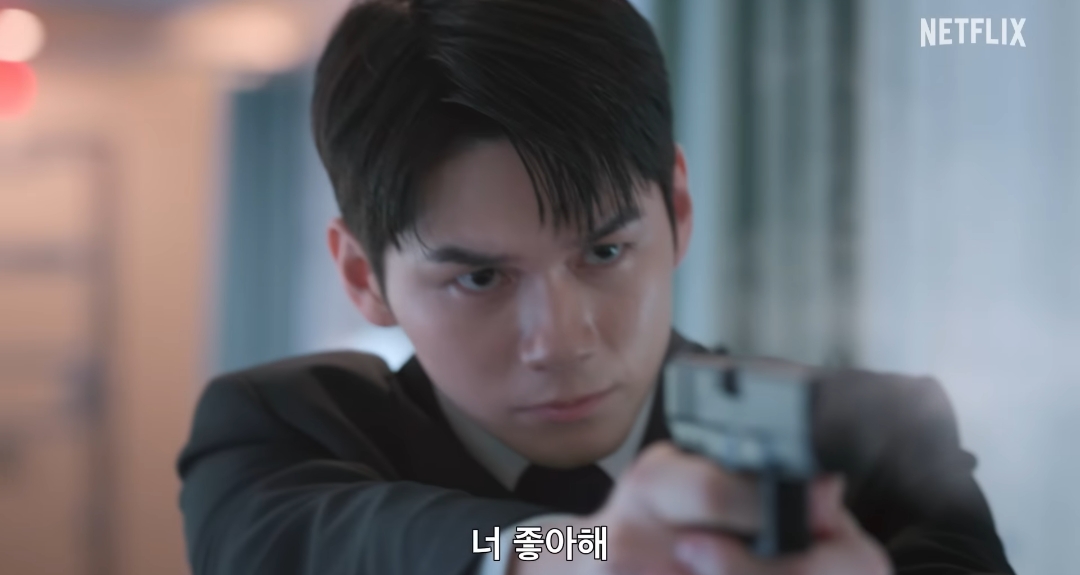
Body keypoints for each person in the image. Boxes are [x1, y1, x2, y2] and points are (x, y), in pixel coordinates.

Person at [176, 0, 1014, 574]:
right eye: (479, 277)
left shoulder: (867, 440)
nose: (561, 339)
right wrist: (580, 549)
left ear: (677, 211)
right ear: (365, 276)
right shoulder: (287, 431)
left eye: (605, 251)